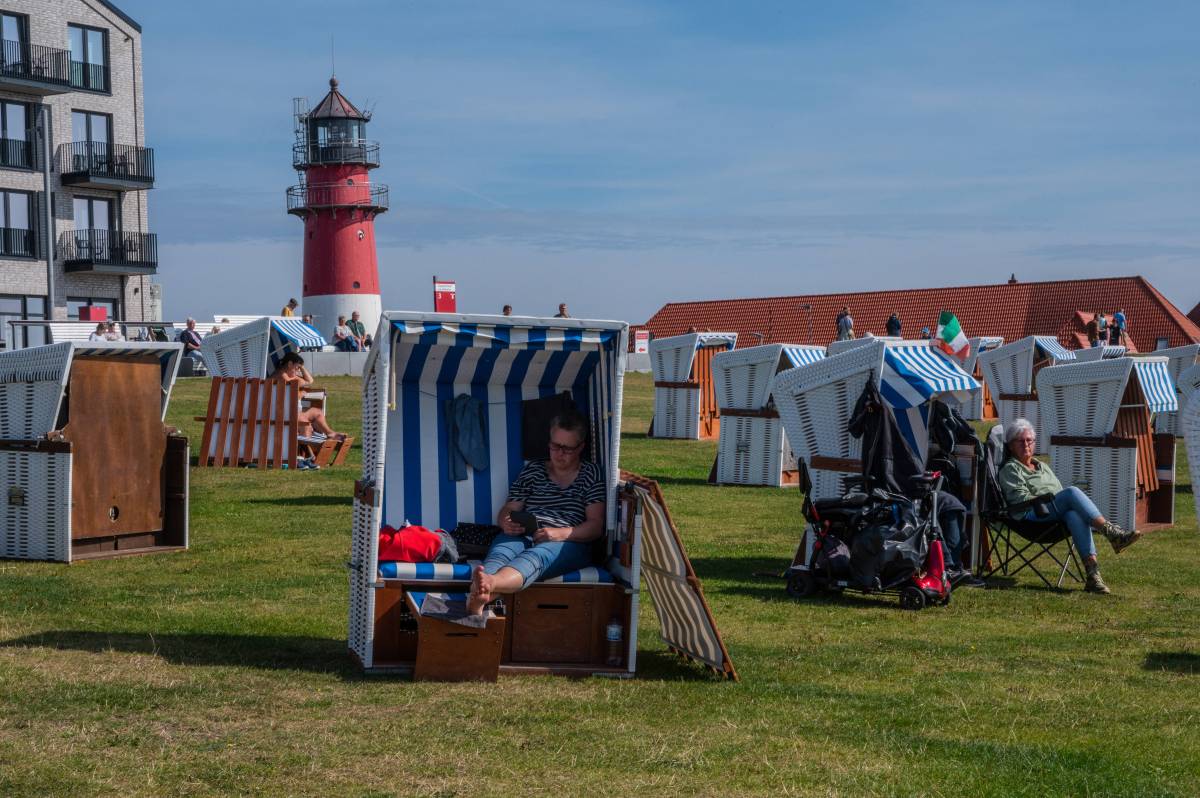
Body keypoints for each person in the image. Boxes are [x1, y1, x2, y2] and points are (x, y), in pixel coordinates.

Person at [467, 410, 605, 614]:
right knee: (500, 553)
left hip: (569, 541)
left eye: (566, 449)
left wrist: (560, 533)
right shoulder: (533, 470)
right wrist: (506, 522)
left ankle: (487, 587)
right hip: (525, 532)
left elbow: (595, 525)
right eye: (555, 446)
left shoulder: (591, 474)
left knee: (537, 556)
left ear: (580, 448)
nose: (559, 453)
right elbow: (509, 508)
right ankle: (481, 594)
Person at [998, 418, 1139, 593]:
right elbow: (1020, 499)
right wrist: (1049, 499)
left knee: (1073, 514)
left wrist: (1056, 500)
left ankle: (1093, 576)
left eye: (1029, 440)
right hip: (1031, 516)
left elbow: (1057, 490)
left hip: (1052, 512)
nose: (1026, 444)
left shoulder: (1041, 466)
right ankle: (1112, 533)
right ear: (1011, 446)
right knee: (1072, 492)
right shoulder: (1010, 469)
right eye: (1020, 441)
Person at [269, 352, 345, 440]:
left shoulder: (286, 375)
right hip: (283, 414)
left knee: (317, 412)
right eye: (297, 368)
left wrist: (301, 366)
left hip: (288, 412)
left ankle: (330, 433)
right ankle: (306, 450)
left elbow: (309, 380)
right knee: (306, 424)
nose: (298, 370)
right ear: (290, 364)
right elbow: (291, 397)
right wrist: (302, 393)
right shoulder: (282, 376)